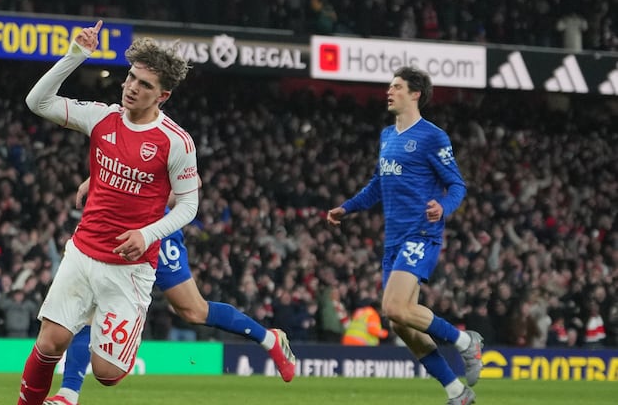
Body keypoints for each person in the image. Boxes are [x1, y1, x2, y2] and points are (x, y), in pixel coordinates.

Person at [17, 21, 200, 405]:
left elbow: (189, 204)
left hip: (130, 269)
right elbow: (38, 102)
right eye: (131, 78)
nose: (133, 87)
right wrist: (76, 54)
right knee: (50, 342)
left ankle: (122, 332)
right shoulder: (102, 117)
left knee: (107, 374)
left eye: (145, 85)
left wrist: (147, 234)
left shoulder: (176, 142)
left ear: (162, 95)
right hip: (83, 253)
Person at [43, 179, 296, 405]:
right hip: (112, 222)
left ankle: (269, 339)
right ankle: (68, 395)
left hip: (155, 231)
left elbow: (192, 181)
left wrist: (148, 196)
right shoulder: (117, 128)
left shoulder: (166, 134)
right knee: (90, 304)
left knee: (193, 310)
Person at [326, 67, 483, 405]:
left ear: (416, 94)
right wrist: (348, 208)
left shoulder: (432, 136)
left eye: (397, 87)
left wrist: (443, 206)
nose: (389, 91)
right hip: (394, 239)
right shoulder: (387, 135)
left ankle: (466, 343)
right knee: (400, 323)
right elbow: (378, 185)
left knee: (395, 306)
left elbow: (457, 184)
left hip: (421, 232)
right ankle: (457, 392)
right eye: (389, 86)